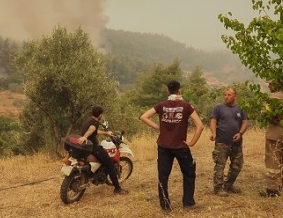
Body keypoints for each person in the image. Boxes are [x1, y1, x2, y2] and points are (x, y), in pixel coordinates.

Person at [139, 80, 204, 210]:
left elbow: (144, 117)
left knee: (163, 176)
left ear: (167, 91)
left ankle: (165, 205)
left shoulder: (161, 105)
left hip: (163, 146)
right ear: (180, 90)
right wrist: (192, 142)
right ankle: (188, 202)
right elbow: (200, 126)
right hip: (180, 146)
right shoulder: (186, 106)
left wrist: (159, 127)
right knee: (189, 173)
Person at [78, 106, 127, 195]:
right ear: (100, 115)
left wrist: (106, 133)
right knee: (111, 165)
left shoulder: (88, 120)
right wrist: (85, 137)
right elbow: (91, 129)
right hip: (94, 148)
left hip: (85, 147)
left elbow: (95, 131)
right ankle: (117, 189)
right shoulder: (95, 123)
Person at [209, 87, 249, 196]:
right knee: (220, 165)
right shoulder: (218, 108)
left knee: (237, 165)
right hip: (222, 141)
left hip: (236, 142)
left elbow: (245, 122)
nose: (226, 97)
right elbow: (213, 121)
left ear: (235, 96)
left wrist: (240, 133)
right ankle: (218, 188)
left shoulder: (240, 108)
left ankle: (228, 185)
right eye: (225, 95)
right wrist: (213, 133)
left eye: (229, 95)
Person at [261, 80, 283, 197]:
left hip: (274, 133)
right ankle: (282, 186)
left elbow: (266, 114)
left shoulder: (273, 98)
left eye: (270, 84)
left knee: (272, 161)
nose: (269, 86)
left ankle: (273, 189)